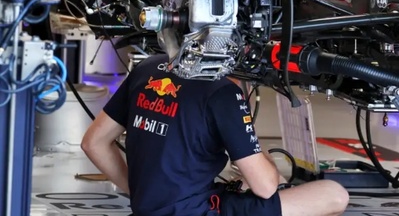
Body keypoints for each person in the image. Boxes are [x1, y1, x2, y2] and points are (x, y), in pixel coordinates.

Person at [81, 53, 349, 216]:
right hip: (200, 211)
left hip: (149, 209)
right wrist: (261, 157)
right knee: (333, 194)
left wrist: (143, 194)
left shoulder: (146, 69)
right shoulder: (223, 92)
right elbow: (266, 187)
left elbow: (93, 143)